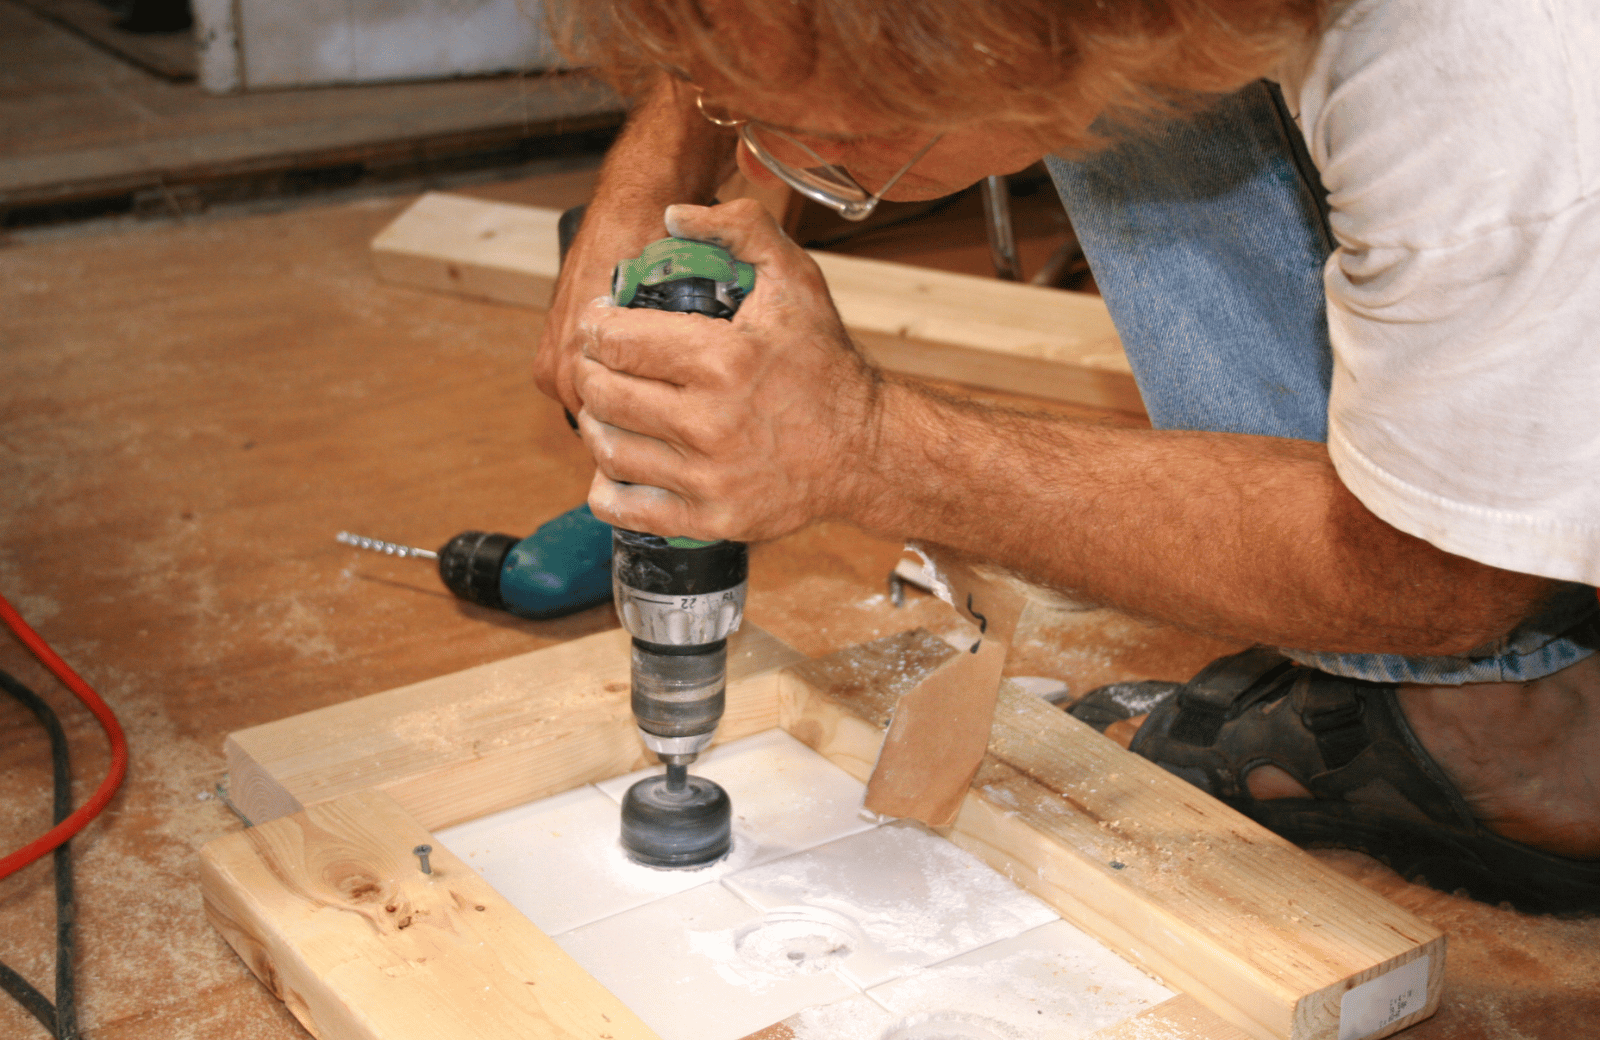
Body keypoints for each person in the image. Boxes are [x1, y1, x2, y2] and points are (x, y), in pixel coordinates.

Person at [535, 0, 1600, 912]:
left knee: (1112, 94)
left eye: (772, 121)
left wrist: (861, 445)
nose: (758, 150)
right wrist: (657, 164)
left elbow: (1433, 573)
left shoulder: (1483, 81)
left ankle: (1506, 731)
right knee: (1108, 79)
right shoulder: (1080, 15)